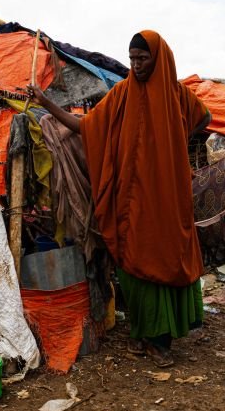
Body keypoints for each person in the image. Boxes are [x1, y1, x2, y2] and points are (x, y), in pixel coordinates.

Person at [27, 30, 211, 367]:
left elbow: (205, 118)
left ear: (159, 59)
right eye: (132, 59)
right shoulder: (122, 94)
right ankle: (142, 335)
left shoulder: (179, 96)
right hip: (131, 197)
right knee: (133, 259)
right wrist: (46, 103)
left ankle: (161, 342)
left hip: (168, 198)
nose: (136, 66)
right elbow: (86, 128)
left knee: (167, 257)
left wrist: (173, 142)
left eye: (143, 59)